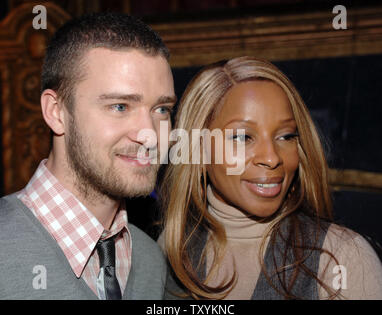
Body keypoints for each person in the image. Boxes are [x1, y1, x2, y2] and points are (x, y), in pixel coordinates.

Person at [159, 56, 382, 300]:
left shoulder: (342, 258)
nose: (272, 157)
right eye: (243, 137)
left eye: (286, 136)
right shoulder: (169, 251)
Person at [0, 12, 176, 299]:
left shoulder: (150, 259)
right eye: (120, 106)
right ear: (56, 112)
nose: (150, 134)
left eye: (162, 109)